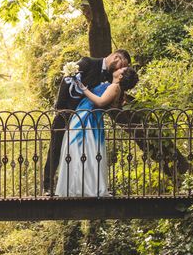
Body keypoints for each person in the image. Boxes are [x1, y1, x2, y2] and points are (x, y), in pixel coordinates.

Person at [43, 50, 131, 194]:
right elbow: (67, 81)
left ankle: (87, 184)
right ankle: (48, 186)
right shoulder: (88, 63)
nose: (119, 69)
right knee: (56, 147)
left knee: (86, 151)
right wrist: (60, 108)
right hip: (67, 113)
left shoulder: (111, 77)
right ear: (116, 57)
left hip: (88, 119)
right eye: (122, 65)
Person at [55, 66, 139, 197]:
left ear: (121, 76)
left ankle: (81, 187)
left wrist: (83, 89)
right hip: (86, 115)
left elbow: (100, 102)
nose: (118, 68)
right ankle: (79, 186)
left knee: (79, 150)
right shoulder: (114, 87)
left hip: (87, 118)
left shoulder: (114, 87)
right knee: (82, 151)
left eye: (121, 69)